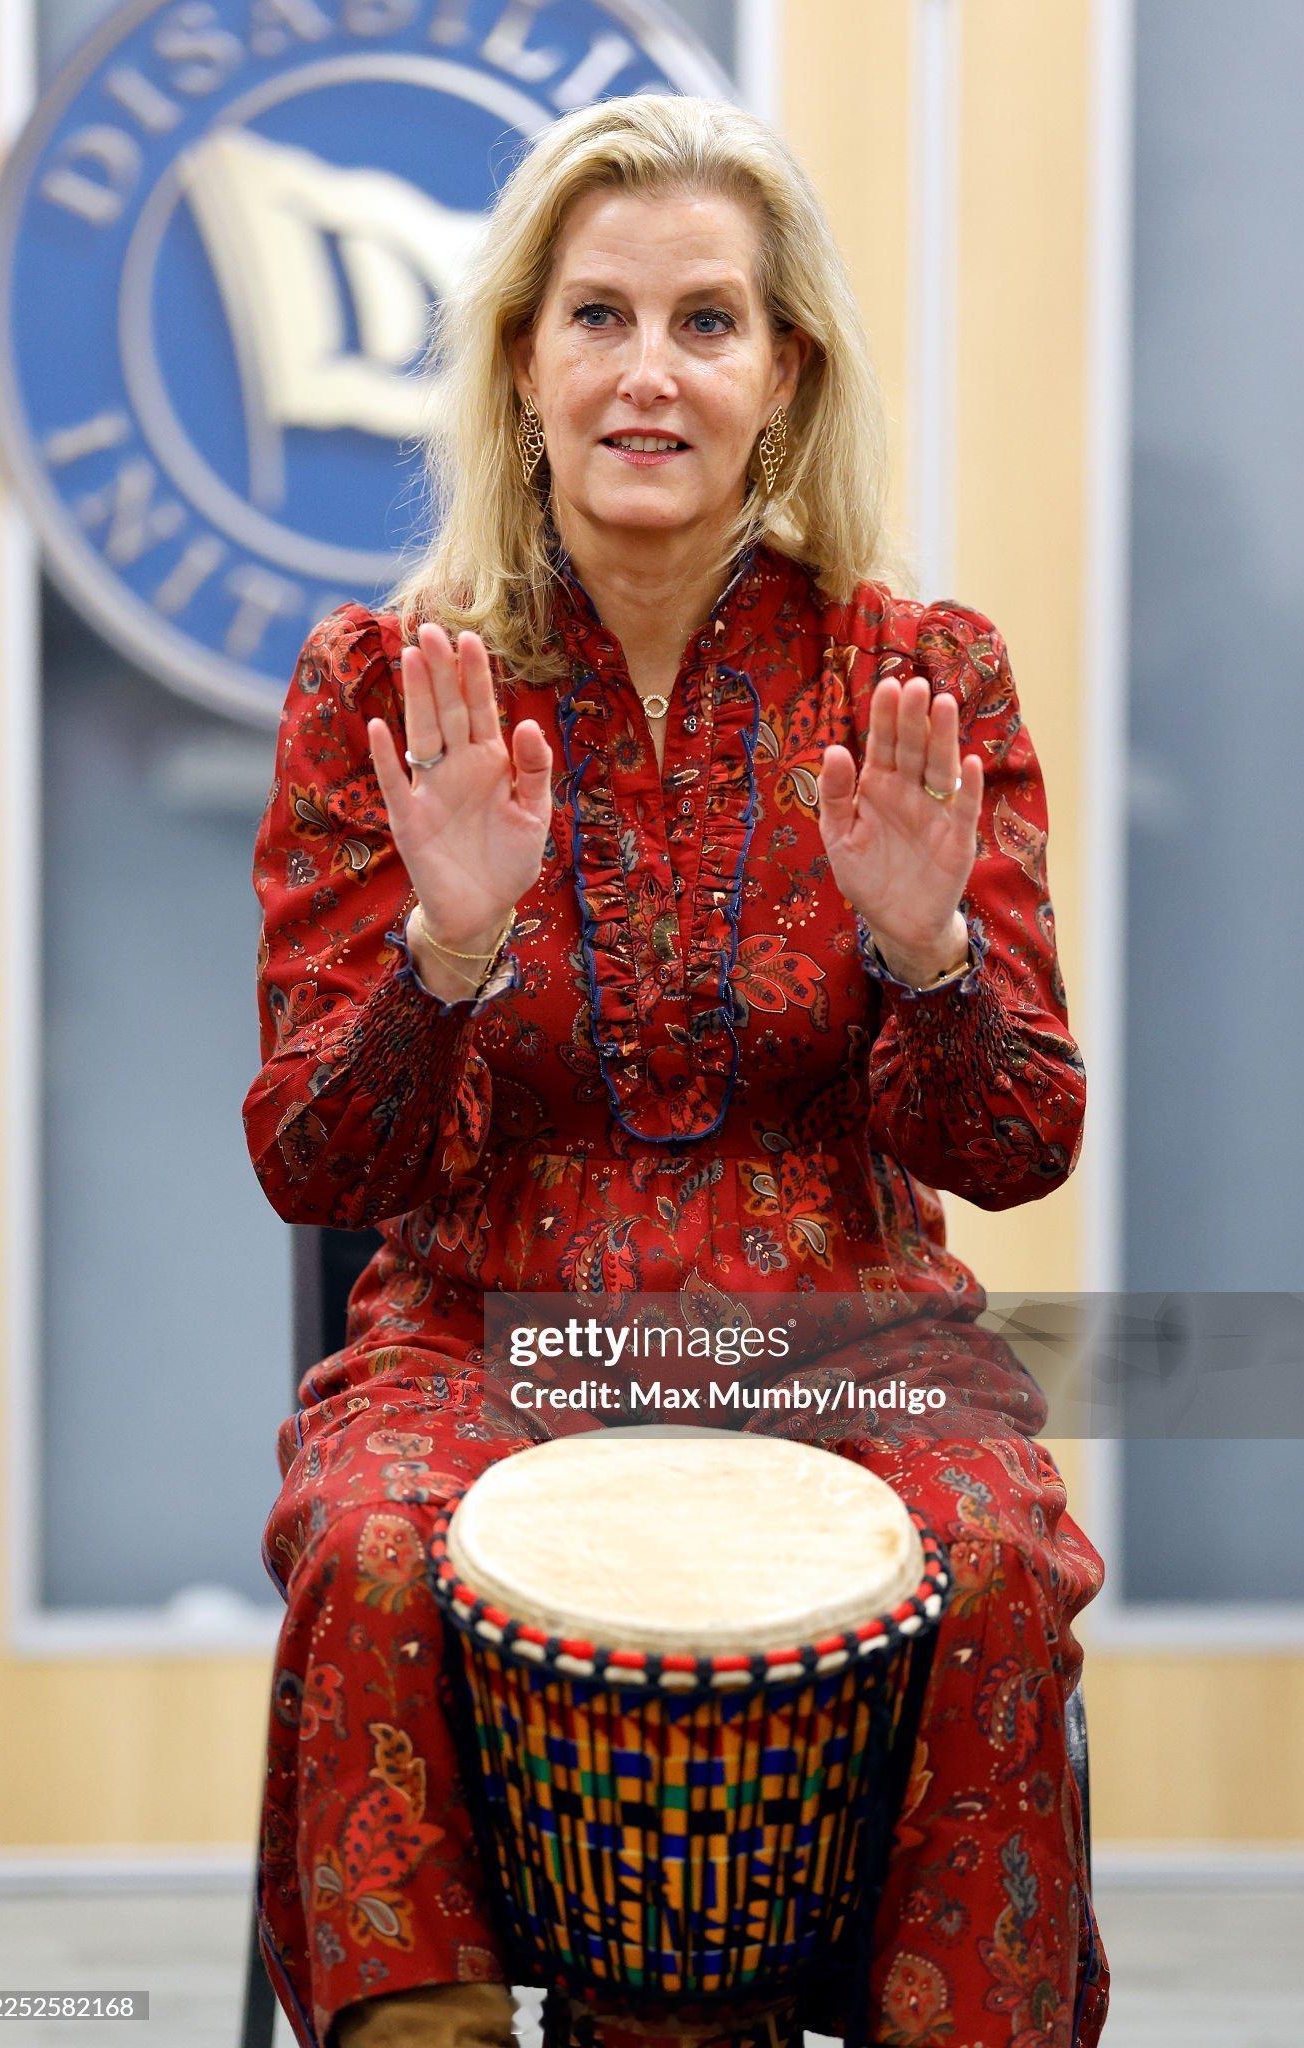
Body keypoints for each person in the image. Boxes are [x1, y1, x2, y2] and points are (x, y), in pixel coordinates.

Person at [243, 92, 1108, 2048]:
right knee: (372, 1546)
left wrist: (925, 952)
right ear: (519, 365)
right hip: (482, 1333)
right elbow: (315, 1159)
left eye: (705, 321)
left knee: (984, 1548)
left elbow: (1022, 1138)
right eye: (599, 317)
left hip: (847, 1330)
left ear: (782, 374)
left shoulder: (917, 675)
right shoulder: (382, 684)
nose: (649, 372)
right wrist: (444, 953)